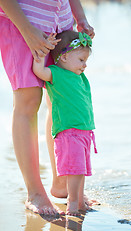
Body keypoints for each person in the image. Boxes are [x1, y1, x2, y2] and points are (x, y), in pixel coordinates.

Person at [0, 0, 95, 216]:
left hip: (61, 23)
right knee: (29, 99)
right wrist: (27, 30)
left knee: (61, 97)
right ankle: (35, 192)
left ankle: (62, 183)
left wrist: (80, 17)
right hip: (22, 22)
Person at [33, 30, 97, 216]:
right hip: (68, 132)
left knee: (82, 169)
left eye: (86, 61)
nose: (85, 65)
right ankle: (73, 202)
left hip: (84, 131)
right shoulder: (57, 74)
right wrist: (42, 54)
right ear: (65, 57)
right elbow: (39, 71)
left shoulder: (80, 77)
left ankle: (79, 199)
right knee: (74, 169)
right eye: (81, 60)